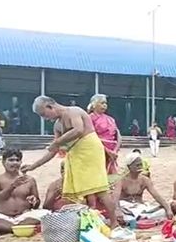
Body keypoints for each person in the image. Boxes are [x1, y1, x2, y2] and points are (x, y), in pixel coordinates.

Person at [20, 96, 119, 227]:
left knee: (100, 189)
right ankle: (85, 221)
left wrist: (57, 142)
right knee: (77, 192)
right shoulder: (57, 125)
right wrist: (33, 166)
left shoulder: (74, 111)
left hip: (90, 150)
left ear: (50, 106)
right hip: (74, 155)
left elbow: (78, 130)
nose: (45, 119)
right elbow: (53, 150)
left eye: (44, 114)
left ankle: (114, 222)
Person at [0, 149, 48, 234]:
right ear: (3, 162)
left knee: (45, 214)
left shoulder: (30, 180)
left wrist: (34, 201)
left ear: (21, 162)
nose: (15, 163)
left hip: (24, 216)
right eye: (11, 160)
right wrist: (12, 186)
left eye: (17, 160)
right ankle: (18, 228)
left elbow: (36, 205)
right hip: (2, 217)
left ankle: (8, 229)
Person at [113, 153, 173, 221]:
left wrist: (168, 209)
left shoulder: (145, 180)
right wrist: (117, 211)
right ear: (129, 167)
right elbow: (115, 198)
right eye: (137, 165)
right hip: (125, 208)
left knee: (163, 212)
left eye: (141, 165)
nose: (140, 167)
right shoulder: (121, 180)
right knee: (120, 216)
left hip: (140, 207)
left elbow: (156, 196)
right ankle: (139, 218)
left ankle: (139, 218)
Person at [87, 94, 122, 175]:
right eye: (102, 103)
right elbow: (90, 136)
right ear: (94, 104)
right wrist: (107, 151)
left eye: (105, 103)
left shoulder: (111, 119)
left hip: (112, 152)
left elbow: (118, 135)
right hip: (97, 150)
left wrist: (115, 151)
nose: (105, 105)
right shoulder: (89, 118)